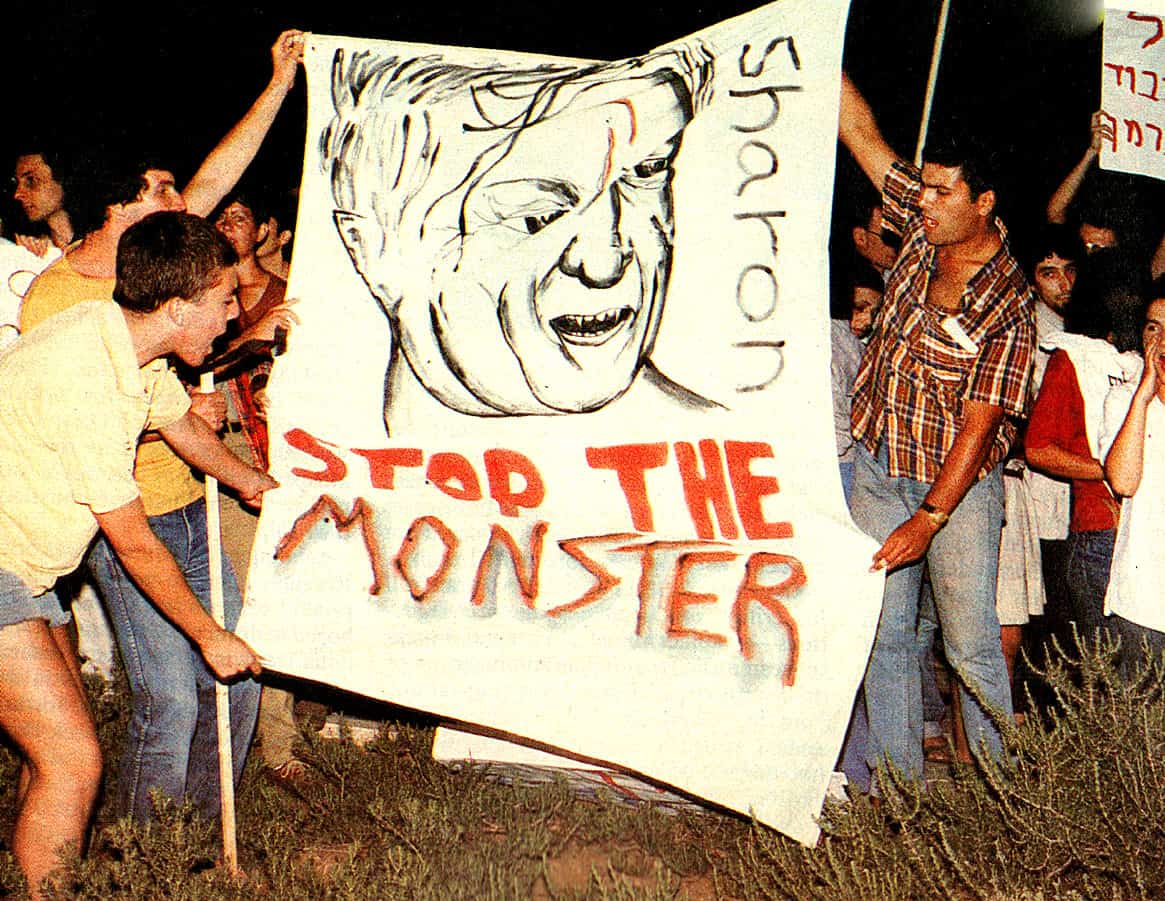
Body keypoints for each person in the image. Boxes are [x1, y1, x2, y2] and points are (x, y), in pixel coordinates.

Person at [18, 29, 305, 824]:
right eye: (164, 193)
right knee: (172, 695)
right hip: (118, 517)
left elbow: (221, 172)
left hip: (185, 499)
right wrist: (161, 422)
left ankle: (203, 846)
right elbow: (75, 421)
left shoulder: (158, 278)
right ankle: (149, 854)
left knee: (234, 677)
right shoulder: (63, 308)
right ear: (120, 211)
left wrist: (279, 82)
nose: (186, 204)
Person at [0, 211, 272, 898]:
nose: (233, 314)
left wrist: (246, 479)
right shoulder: (86, 376)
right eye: (222, 300)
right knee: (71, 758)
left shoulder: (128, 343)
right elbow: (134, 541)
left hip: (31, 568)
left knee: (53, 749)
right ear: (177, 306)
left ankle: (39, 879)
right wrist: (210, 635)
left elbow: (177, 420)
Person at [321, 48, 718, 434]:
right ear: (372, 248)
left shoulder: (744, 447)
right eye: (538, 214)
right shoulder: (312, 433)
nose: (605, 266)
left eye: (647, 171)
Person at [837, 73, 1036, 789]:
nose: (920, 203)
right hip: (879, 464)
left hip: (955, 491)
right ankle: (899, 801)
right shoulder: (923, 230)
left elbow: (979, 430)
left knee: (971, 645)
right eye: (919, 188)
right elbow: (859, 132)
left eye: (939, 192)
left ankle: (999, 802)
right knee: (882, 637)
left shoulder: (1008, 303)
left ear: (982, 203)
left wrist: (929, 518)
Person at [1099, 289, 1165, 676]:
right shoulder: (1124, 400)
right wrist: (1144, 396)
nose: (1161, 341)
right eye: (1153, 327)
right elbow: (1123, 481)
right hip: (1142, 602)